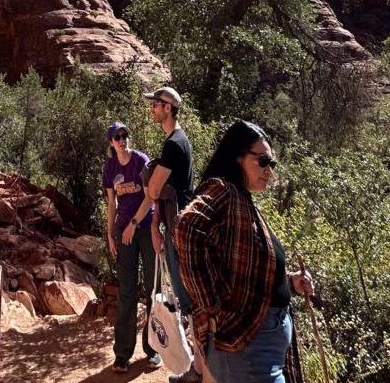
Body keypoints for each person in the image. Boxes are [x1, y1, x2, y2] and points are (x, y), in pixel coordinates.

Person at [174, 121, 314, 383]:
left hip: (262, 343)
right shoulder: (224, 190)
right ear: (238, 157)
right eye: (262, 161)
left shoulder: (242, 200)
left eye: (271, 164)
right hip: (247, 346)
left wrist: (290, 282)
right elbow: (187, 229)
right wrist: (212, 305)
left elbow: (248, 271)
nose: (268, 171)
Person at [132, 85, 201, 383]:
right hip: (174, 227)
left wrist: (150, 179)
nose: (152, 109)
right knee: (187, 301)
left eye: (156, 105)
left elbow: (155, 190)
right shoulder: (175, 141)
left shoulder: (175, 144)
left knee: (189, 301)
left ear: (168, 108)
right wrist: (152, 223)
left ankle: (200, 371)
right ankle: (197, 369)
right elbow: (160, 193)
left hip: (180, 231)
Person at [103, 120, 161, 373]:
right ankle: (123, 354)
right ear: (111, 143)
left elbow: (150, 195)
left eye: (125, 135)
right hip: (123, 233)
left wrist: (134, 223)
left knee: (152, 289)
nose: (122, 140)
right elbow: (111, 203)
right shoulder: (110, 167)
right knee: (126, 291)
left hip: (145, 229)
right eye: (117, 137)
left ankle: (154, 349)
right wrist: (110, 234)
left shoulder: (140, 160)